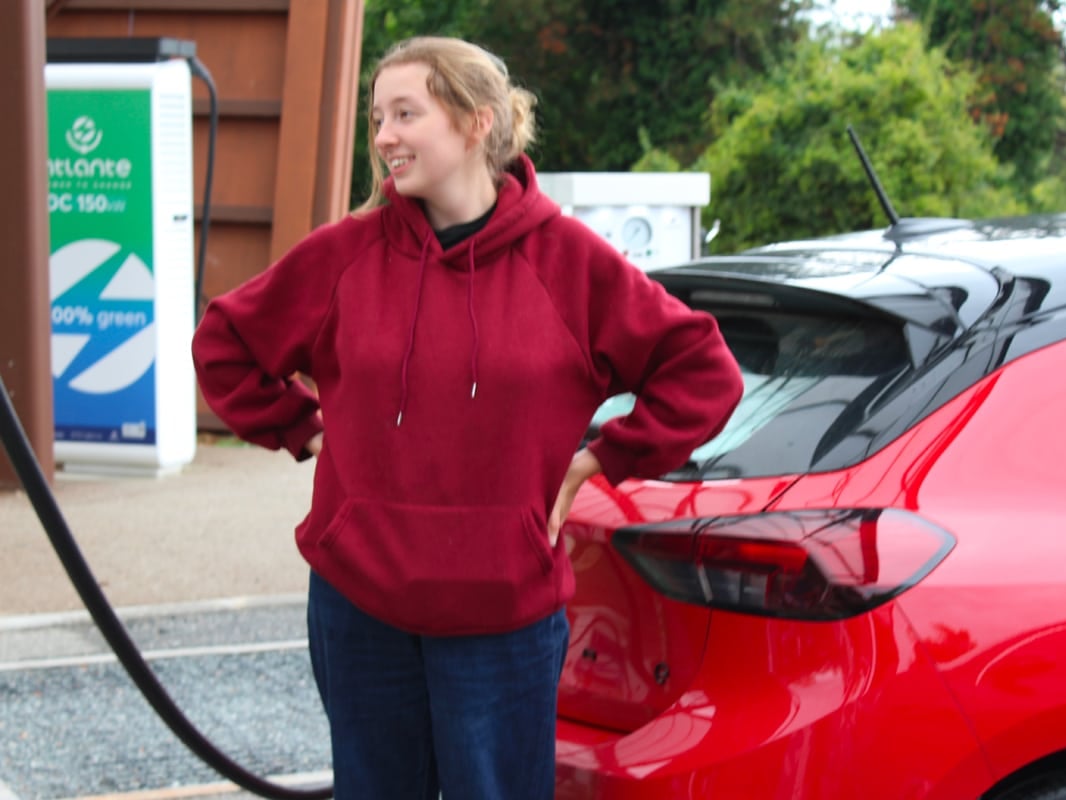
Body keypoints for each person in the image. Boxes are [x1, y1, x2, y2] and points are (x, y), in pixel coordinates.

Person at [191, 35, 742, 800]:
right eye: (377, 118)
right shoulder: (346, 254)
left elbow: (703, 371)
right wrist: (304, 429)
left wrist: (597, 461)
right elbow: (224, 343)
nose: (384, 136)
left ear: (477, 121)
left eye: (405, 113)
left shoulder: (568, 262)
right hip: (361, 607)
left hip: (502, 612)